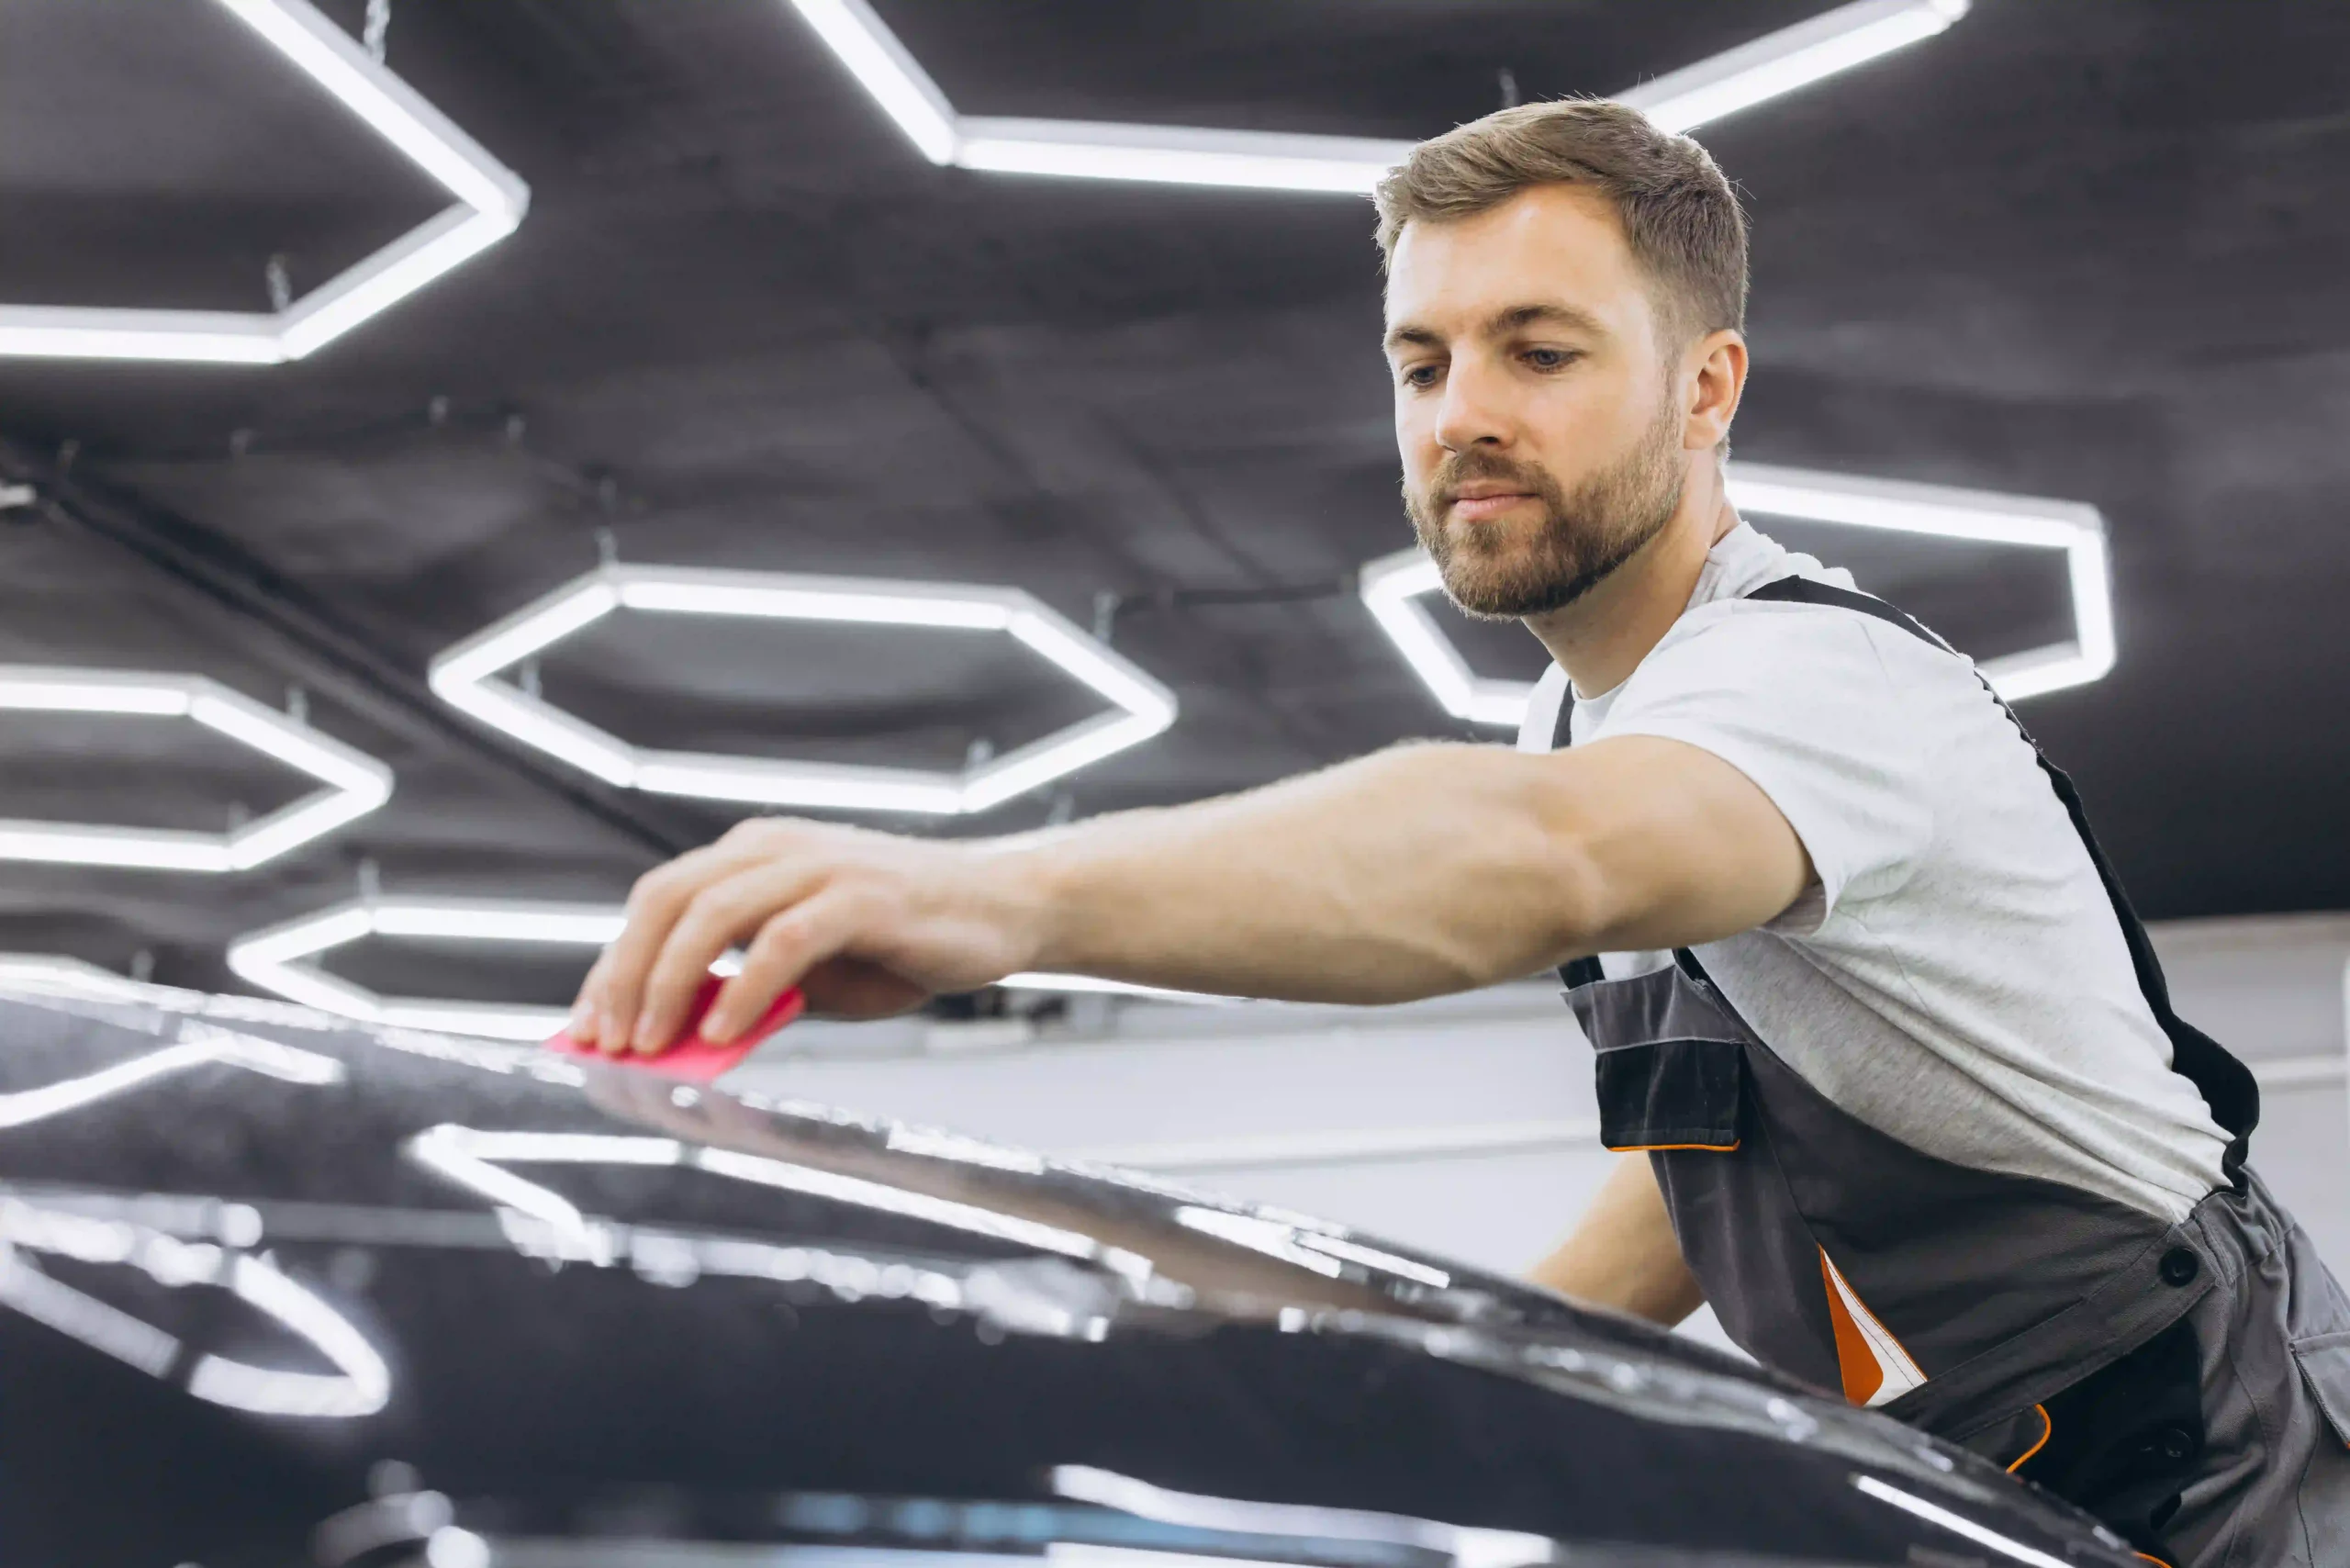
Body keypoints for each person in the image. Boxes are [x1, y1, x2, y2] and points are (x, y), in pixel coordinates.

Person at [565, 100, 2348, 1564]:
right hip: (1971, 1475)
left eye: (1537, 348)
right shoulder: (1577, 718)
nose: (1459, 413)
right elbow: (1703, 1165)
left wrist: (991, 891)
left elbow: (1529, 854)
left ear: (1706, 385)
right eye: (1419, 361)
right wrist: (1434, 1342)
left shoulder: (1813, 684)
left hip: (2192, 1454)